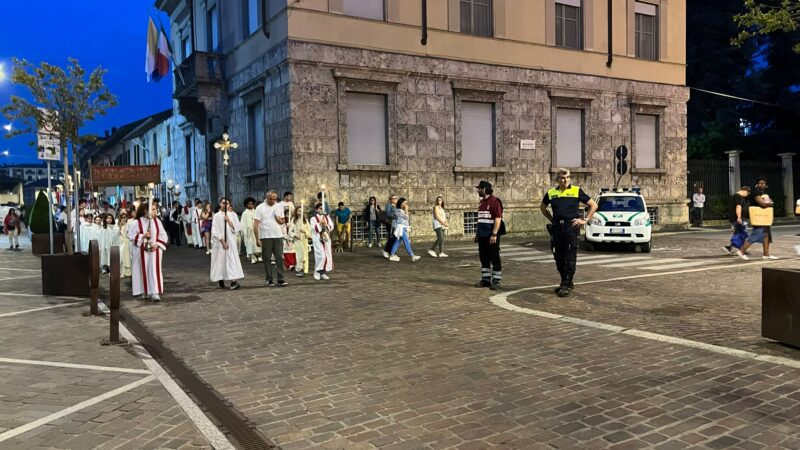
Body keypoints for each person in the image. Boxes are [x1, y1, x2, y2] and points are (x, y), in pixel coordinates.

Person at [540, 170, 598, 297]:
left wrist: (584, 220)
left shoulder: (576, 191)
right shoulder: (551, 192)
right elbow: (543, 207)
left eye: (567, 177)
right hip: (557, 228)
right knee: (558, 256)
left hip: (571, 227)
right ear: (557, 180)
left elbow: (593, 205)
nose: (565, 180)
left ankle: (566, 284)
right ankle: (565, 281)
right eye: (562, 178)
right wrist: (551, 219)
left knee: (570, 256)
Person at [128, 202, 168, 302]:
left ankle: (154, 292)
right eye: (153, 209)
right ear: (146, 210)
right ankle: (144, 291)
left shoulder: (157, 221)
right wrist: (142, 236)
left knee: (154, 270)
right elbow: (131, 236)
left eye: (155, 209)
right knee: (142, 269)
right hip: (141, 251)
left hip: (155, 251)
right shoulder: (136, 223)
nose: (155, 211)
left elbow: (163, 235)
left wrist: (157, 245)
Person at [473, 181, 506, 290]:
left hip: (491, 235)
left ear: (485, 189)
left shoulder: (495, 201)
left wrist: (494, 234)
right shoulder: (481, 202)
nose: (478, 191)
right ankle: (486, 280)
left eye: (479, 189)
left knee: (494, 257)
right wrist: (477, 234)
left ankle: (496, 281)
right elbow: (480, 220)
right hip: (482, 235)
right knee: (483, 258)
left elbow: (498, 218)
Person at [737, 178, 778, 260]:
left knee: (766, 235)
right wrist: (768, 204)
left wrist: (768, 203)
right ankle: (741, 251)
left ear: (766, 185)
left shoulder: (764, 193)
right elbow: (763, 204)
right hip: (758, 217)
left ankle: (766, 254)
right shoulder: (755, 192)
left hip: (764, 217)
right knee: (756, 234)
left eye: (763, 183)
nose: (761, 185)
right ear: (756, 185)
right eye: (759, 183)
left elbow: (771, 203)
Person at [254, 190, 288, 287]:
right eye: (271, 199)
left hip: (277, 235)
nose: (273, 201)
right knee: (267, 259)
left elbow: (283, 220)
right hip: (265, 236)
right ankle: (269, 279)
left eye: (274, 199)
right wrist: (257, 238)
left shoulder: (278, 206)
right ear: (266, 197)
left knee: (279, 258)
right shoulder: (260, 207)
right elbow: (255, 223)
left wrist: (280, 221)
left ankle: (280, 279)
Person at [210, 198, 243, 290]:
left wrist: (228, 220)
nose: (225, 205)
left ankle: (233, 280)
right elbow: (215, 231)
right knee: (220, 261)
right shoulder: (216, 216)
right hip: (220, 243)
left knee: (231, 260)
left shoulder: (233, 214)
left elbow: (237, 227)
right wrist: (223, 242)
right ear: (220, 204)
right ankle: (220, 279)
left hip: (231, 242)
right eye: (223, 203)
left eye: (227, 203)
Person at [388, 198, 421, 262]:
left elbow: (406, 218)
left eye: (406, 203)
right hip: (401, 227)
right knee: (406, 241)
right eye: (404, 203)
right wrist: (406, 210)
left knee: (398, 242)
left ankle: (392, 255)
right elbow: (406, 217)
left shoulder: (400, 210)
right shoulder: (398, 211)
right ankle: (412, 255)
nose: (405, 204)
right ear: (401, 204)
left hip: (402, 227)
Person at [723, 186, 750, 255]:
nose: (746, 196)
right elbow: (738, 206)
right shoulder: (739, 197)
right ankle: (739, 249)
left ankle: (739, 249)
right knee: (742, 233)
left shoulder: (733, 197)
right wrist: (739, 217)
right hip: (738, 219)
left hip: (734, 219)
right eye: (747, 194)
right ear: (746, 191)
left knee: (739, 233)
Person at [310, 202, 334, 280]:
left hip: (326, 239)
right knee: (321, 256)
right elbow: (314, 229)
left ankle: (323, 272)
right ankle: (317, 271)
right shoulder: (313, 218)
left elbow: (331, 227)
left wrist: (326, 225)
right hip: (317, 239)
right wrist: (320, 223)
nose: (322, 210)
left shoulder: (327, 217)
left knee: (327, 256)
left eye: (323, 208)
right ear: (316, 209)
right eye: (320, 208)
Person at [289, 206, 311, 277]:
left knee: (305, 255)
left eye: (301, 211)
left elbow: (309, 230)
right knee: (299, 255)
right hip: (298, 241)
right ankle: (300, 269)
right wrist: (295, 235)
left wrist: (304, 231)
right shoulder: (294, 220)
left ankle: (305, 269)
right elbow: (290, 232)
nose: (300, 212)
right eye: (298, 210)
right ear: (296, 212)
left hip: (304, 240)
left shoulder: (305, 220)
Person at [240, 197, 261, 264]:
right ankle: (252, 257)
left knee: (257, 244)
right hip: (249, 232)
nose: (250, 205)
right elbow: (243, 223)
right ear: (246, 205)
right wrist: (246, 231)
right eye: (249, 204)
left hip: (256, 230)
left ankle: (259, 256)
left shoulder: (256, 211)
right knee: (251, 244)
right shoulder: (245, 213)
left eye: (252, 204)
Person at [118, 212, 132, 278]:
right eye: (122, 217)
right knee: (121, 256)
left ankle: (127, 272)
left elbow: (129, 233)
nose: (123, 219)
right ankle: (121, 271)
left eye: (125, 217)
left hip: (126, 242)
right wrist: (120, 227)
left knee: (126, 257)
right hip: (119, 242)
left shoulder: (128, 224)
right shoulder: (117, 225)